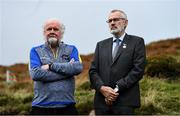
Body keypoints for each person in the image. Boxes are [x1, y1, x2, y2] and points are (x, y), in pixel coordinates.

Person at [89, 9, 146, 115]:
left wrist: (115, 90)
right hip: (102, 103)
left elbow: (138, 70)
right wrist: (102, 89)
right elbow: (93, 71)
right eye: (109, 21)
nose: (112, 23)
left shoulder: (137, 42)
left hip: (125, 102)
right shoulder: (101, 45)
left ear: (125, 22)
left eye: (116, 20)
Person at [29, 18, 83, 115]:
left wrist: (50, 66)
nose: (52, 32)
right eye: (49, 29)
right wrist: (67, 72)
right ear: (44, 32)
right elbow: (36, 74)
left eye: (56, 29)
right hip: (41, 107)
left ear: (61, 33)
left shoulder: (71, 49)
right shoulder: (35, 50)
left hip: (67, 107)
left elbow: (77, 68)